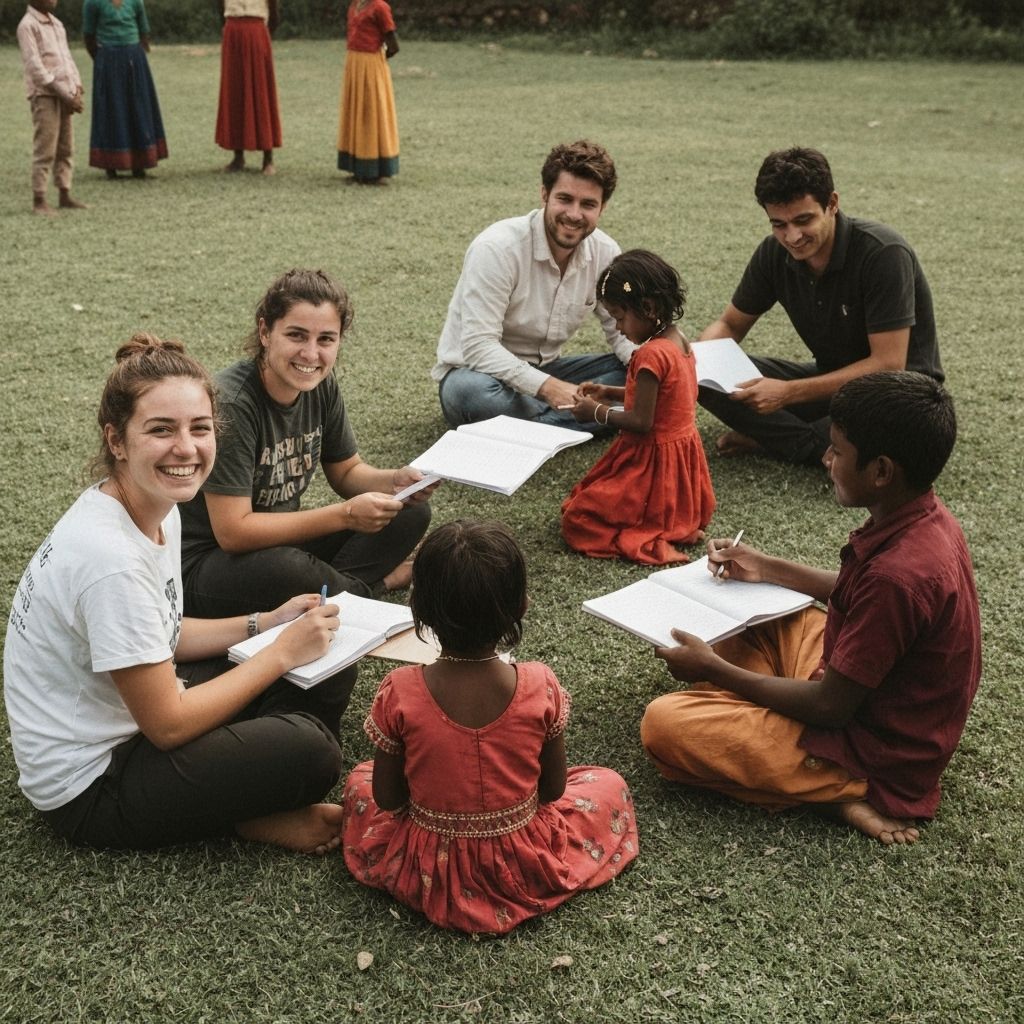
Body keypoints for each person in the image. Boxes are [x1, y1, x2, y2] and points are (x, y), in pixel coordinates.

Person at [3, 334, 356, 852]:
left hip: (137, 716)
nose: (186, 449)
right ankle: (248, 809)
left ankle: (250, 784)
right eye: (161, 430)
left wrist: (267, 622)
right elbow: (167, 725)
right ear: (116, 440)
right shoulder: (111, 559)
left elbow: (162, 634)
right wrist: (281, 652)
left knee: (325, 661)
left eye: (200, 428)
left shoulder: (149, 506)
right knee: (310, 750)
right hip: (95, 785)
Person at [640, 371, 981, 845]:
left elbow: (830, 709)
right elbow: (856, 592)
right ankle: (759, 708)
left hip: (871, 747)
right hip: (856, 686)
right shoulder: (925, 514)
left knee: (665, 727)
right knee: (772, 616)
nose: (825, 458)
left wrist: (714, 670)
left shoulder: (898, 576)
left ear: (881, 471)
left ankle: (839, 794)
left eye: (837, 450)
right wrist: (765, 567)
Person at [341, 520, 638, 934]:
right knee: (606, 783)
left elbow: (388, 799)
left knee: (359, 780)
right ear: (521, 606)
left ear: (419, 610)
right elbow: (552, 792)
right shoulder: (540, 684)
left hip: (431, 866)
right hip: (525, 856)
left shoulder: (400, 690)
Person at [180, 269, 433, 620]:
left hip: (276, 542)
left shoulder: (320, 386)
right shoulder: (233, 404)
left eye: (326, 339)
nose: (311, 354)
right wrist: (344, 515)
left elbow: (347, 471)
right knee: (291, 569)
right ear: (265, 331)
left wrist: (396, 482)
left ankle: (337, 589)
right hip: (205, 565)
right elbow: (233, 533)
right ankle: (372, 588)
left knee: (408, 512)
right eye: (297, 335)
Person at [697, 147, 943, 465]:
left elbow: (888, 365)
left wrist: (787, 393)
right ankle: (821, 446)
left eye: (803, 220)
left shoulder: (883, 253)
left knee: (892, 425)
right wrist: (703, 361)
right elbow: (730, 325)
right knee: (703, 375)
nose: (793, 236)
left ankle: (786, 442)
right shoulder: (773, 253)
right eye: (779, 224)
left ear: (832, 204)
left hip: (899, 397)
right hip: (830, 382)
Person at [433, 139, 635, 433]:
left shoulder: (605, 252)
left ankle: (527, 429)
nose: (574, 214)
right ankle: (594, 418)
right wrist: (549, 389)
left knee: (636, 376)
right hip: (479, 375)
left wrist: (648, 368)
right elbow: (478, 346)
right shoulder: (497, 248)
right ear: (544, 195)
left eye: (588, 204)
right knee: (468, 395)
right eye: (564, 199)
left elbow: (622, 330)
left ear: (602, 207)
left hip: (546, 370)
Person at [562, 250, 716, 564]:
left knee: (578, 517)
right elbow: (664, 399)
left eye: (619, 317)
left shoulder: (651, 355)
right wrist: (609, 391)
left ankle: (649, 525)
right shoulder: (679, 341)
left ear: (647, 308)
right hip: (679, 463)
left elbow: (642, 421)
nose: (618, 328)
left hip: (651, 466)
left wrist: (594, 411)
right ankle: (670, 521)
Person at [16, 0, 86, 216]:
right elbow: (35, 66)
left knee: (66, 146)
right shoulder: (27, 25)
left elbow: (67, 59)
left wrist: (76, 87)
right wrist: (64, 94)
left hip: (66, 94)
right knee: (45, 148)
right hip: (45, 94)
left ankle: (64, 193)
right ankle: (40, 200)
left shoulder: (56, 24)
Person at [83, 0, 167, 179]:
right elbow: (89, 36)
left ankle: (140, 163)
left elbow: (144, 31)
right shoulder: (92, 2)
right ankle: (111, 164)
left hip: (134, 59)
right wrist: (103, 61)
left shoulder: (136, 1)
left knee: (138, 108)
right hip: (107, 59)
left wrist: (137, 58)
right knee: (111, 109)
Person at [336, 0, 399, 184]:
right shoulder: (355, 5)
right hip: (354, 63)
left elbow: (393, 45)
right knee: (356, 113)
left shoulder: (379, 7)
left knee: (371, 113)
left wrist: (376, 64)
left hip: (370, 64)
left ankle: (378, 169)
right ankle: (358, 167)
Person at [216, 0, 281, 175]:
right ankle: (238, 156)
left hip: (256, 29)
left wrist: (263, 33)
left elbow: (274, 11)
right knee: (235, 92)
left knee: (260, 90)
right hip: (233, 31)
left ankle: (268, 158)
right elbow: (219, 6)